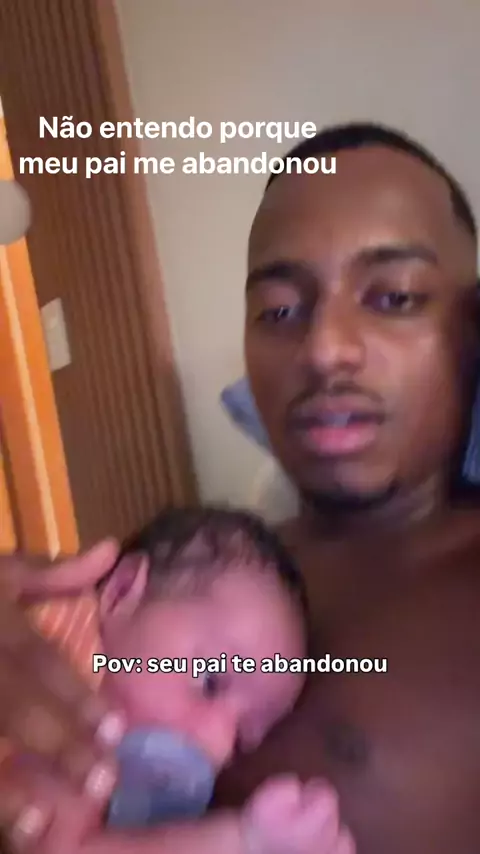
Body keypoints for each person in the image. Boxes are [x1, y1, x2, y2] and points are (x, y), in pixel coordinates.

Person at [0, 119, 479, 854]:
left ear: (471, 328)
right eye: (279, 310)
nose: (324, 349)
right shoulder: (208, 567)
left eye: (393, 297)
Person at [7, 506, 353, 854]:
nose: (217, 746)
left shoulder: (119, 791)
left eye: (240, 740)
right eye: (210, 681)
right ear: (121, 593)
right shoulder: (56, 640)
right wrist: (243, 840)